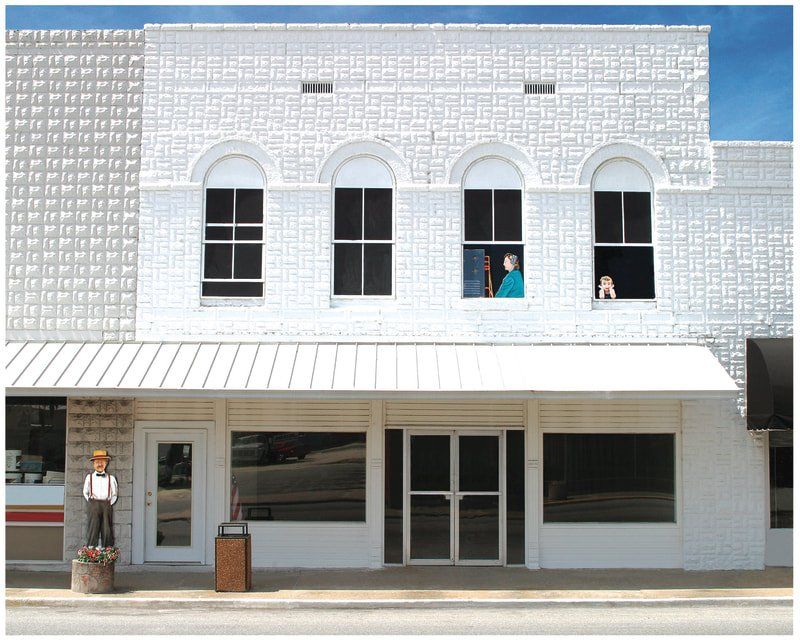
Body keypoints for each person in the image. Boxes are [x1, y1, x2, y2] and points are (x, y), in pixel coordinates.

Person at [83, 449, 118, 547]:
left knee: (107, 529)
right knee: (92, 528)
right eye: (97, 462)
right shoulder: (89, 477)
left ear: (106, 463)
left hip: (106, 504)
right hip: (93, 504)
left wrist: (109, 503)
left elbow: (114, 493)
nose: (100, 464)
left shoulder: (111, 478)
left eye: (102, 462)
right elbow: (85, 492)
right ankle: (91, 551)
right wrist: (91, 502)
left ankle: (107, 551)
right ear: (93, 464)